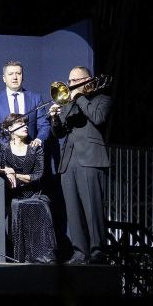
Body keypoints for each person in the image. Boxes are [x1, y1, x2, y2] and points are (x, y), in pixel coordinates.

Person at [0, 60, 51, 248]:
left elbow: (44, 125)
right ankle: (0, 252)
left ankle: (28, 251)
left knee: (27, 211)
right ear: (3, 78)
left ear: (23, 76)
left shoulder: (35, 98)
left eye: (18, 73)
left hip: (28, 162)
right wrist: (1, 162)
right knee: (2, 210)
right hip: (4, 164)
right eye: (10, 74)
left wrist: (39, 140)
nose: (14, 77)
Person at [49, 66, 112, 264]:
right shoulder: (68, 104)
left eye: (74, 80)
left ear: (87, 80)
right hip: (68, 162)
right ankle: (79, 253)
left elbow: (98, 118)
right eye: (69, 81)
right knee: (73, 211)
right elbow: (59, 133)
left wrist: (79, 97)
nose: (70, 84)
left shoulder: (102, 99)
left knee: (93, 209)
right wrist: (54, 118)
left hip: (91, 159)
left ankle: (97, 252)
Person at [0, 113, 56, 263]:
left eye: (25, 123)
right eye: (20, 124)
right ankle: (19, 257)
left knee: (38, 205)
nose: (25, 126)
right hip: (11, 196)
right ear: (9, 129)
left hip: (35, 195)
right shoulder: (1, 148)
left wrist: (15, 174)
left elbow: (38, 175)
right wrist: (5, 170)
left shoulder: (35, 149)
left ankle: (42, 257)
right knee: (16, 205)